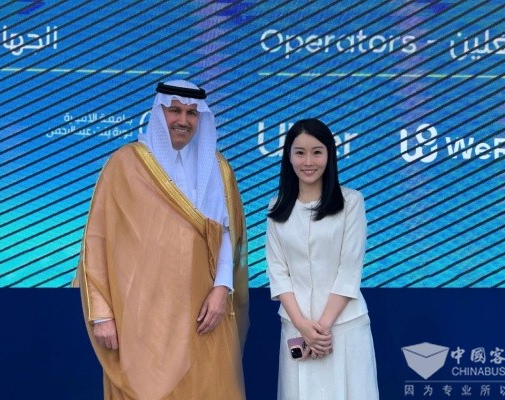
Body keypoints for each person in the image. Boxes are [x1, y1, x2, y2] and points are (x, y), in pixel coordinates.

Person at [72, 80, 249, 399]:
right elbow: (96, 242)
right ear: (158, 112)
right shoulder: (125, 164)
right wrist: (102, 313)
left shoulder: (218, 169)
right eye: (175, 110)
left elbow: (226, 235)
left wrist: (222, 289)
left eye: (192, 113)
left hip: (203, 313)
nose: (183, 120)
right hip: (139, 318)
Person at [266, 118, 379, 399]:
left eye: (317, 152)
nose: (308, 162)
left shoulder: (351, 202)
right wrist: (303, 326)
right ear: (288, 156)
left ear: (329, 155)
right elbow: (278, 272)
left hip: (343, 326)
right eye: (300, 152)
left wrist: (320, 331)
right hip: (296, 328)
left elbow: (349, 270)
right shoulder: (277, 207)